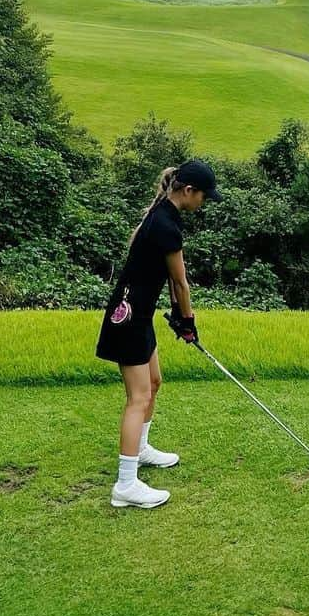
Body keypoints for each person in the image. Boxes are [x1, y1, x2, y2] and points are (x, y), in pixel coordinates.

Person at [96, 156, 223, 509]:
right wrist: (188, 321)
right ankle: (125, 485)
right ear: (188, 190)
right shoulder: (167, 225)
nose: (204, 203)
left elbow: (167, 279)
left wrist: (182, 321)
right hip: (128, 318)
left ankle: (140, 450)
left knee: (154, 383)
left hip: (139, 314)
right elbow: (181, 283)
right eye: (204, 196)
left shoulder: (163, 215)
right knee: (138, 398)